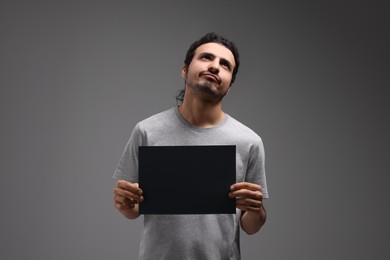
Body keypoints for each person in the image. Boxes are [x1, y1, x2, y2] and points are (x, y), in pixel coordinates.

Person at [113, 32, 269, 260]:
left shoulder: (249, 142)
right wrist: (124, 204)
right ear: (185, 70)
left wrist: (256, 210)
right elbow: (133, 211)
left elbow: (251, 226)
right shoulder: (147, 131)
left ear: (229, 86)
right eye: (206, 57)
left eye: (225, 65)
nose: (215, 66)